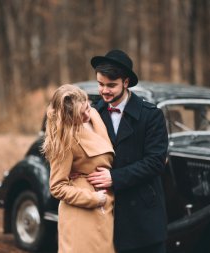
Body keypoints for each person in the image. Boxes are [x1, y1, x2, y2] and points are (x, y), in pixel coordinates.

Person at [88, 49, 169, 253]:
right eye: (100, 84)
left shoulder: (152, 116)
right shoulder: (92, 114)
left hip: (143, 216)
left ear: (126, 82)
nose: (104, 90)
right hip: (103, 212)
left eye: (111, 85)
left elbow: (156, 162)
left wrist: (115, 178)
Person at [42, 84, 115, 253]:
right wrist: (94, 198)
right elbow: (57, 187)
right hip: (82, 211)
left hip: (106, 205)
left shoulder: (95, 115)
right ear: (68, 117)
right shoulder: (64, 138)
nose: (87, 114)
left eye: (87, 107)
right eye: (80, 114)